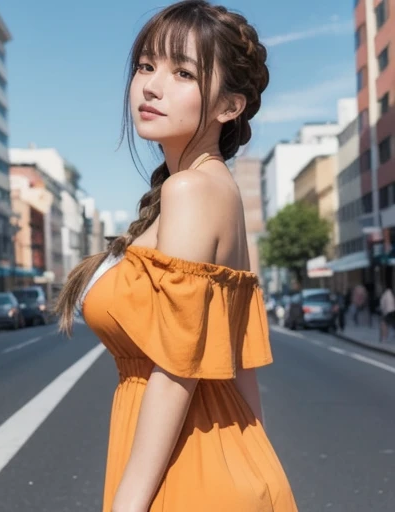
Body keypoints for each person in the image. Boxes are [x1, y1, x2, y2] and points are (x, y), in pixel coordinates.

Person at [56, 2, 297, 510]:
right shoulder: (215, 190)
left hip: (190, 474)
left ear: (229, 106)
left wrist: (127, 506)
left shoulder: (190, 191)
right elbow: (239, 362)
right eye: (146, 65)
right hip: (222, 459)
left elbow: (175, 373)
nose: (151, 85)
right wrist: (257, 456)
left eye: (182, 72)